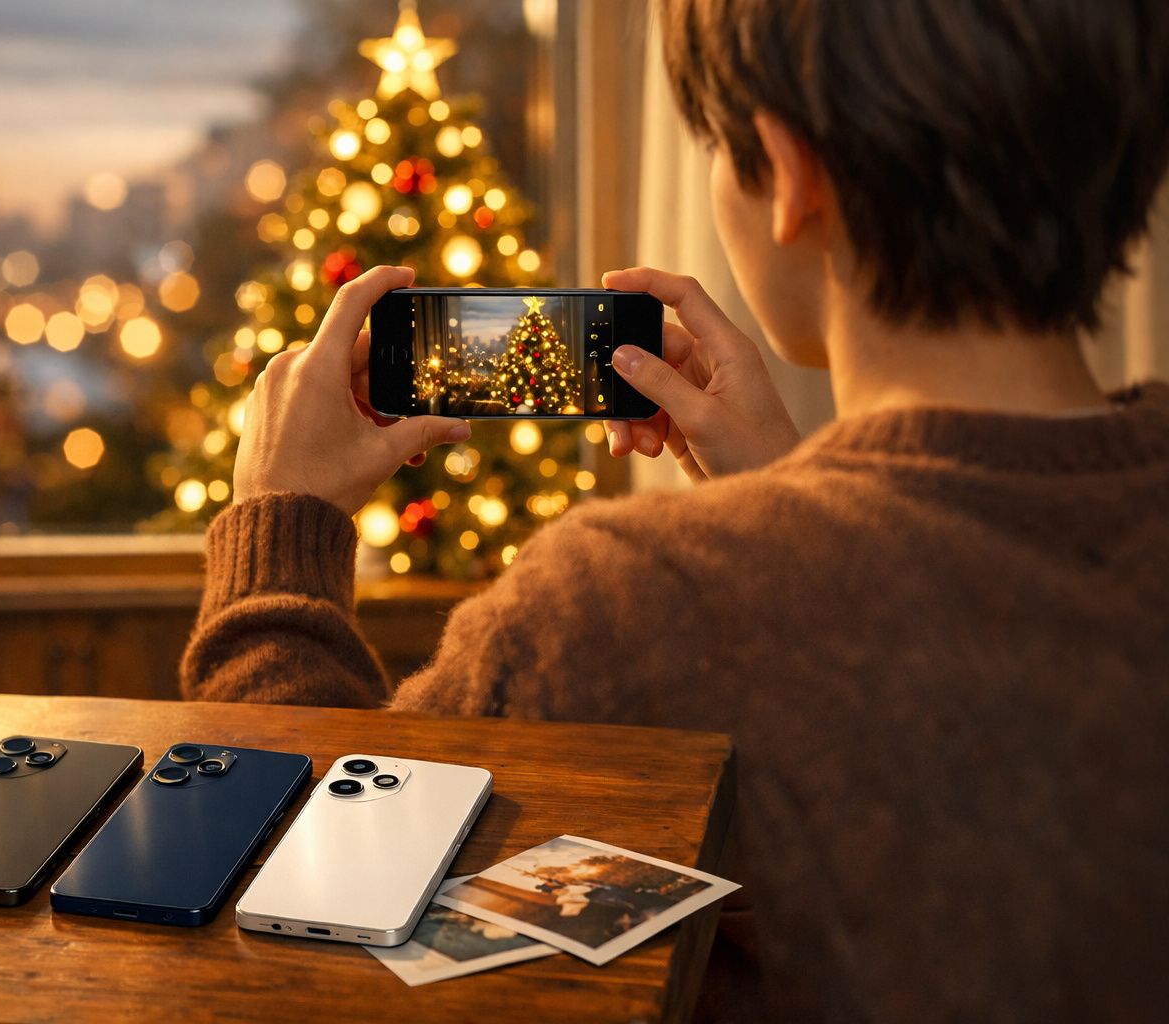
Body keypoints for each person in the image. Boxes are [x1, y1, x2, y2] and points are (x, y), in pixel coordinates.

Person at [181, 0, 1169, 1019]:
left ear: (790, 173)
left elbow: (303, 925)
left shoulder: (626, 602)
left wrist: (281, 528)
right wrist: (781, 501)